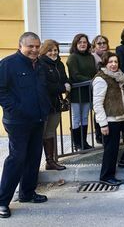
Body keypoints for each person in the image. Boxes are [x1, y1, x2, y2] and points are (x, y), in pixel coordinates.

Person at [0, 32, 51, 219]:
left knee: (33, 156)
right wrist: (16, 109)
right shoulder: (8, 64)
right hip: (17, 121)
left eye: (37, 46)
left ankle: (27, 193)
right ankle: (2, 201)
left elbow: (44, 88)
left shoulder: (39, 64)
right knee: (17, 159)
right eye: (30, 46)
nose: (35, 50)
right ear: (20, 45)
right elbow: (1, 91)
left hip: (37, 119)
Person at [92, 52, 124, 186]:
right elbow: (97, 104)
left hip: (123, 116)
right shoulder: (101, 79)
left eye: (116, 62)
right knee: (111, 149)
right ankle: (106, 176)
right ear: (105, 64)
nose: (114, 64)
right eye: (110, 62)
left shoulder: (119, 76)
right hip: (110, 119)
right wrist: (103, 124)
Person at [39, 40, 70, 170]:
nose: (53, 52)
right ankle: (33, 164)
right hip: (44, 104)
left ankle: (50, 161)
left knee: (50, 133)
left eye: (55, 50)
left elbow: (65, 79)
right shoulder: (40, 64)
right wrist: (63, 88)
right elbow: (45, 85)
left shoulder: (60, 64)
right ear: (44, 51)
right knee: (40, 133)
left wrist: (67, 84)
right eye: (50, 50)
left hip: (56, 104)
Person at [67, 33, 97, 151]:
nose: (83, 44)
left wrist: (94, 80)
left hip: (87, 91)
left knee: (85, 118)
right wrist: (92, 80)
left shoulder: (90, 57)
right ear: (75, 44)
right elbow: (75, 75)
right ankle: (77, 143)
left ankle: (84, 142)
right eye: (80, 42)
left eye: (84, 42)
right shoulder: (73, 57)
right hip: (76, 92)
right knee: (76, 119)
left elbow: (94, 72)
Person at [91, 35, 110, 144]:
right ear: (94, 46)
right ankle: (99, 134)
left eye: (104, 43)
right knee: (98, 110)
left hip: (109, 87)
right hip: (99, 86)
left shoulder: (108, 55)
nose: (102, 45)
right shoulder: (92, 57)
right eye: (99, 43)